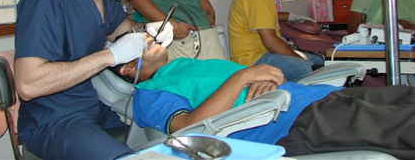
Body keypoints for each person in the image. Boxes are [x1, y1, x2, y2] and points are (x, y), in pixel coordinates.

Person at [14, 0, 174, 160]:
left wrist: (149, 30)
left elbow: (121, 28)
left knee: (163, 135)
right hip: (52, 120)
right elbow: (28, 85)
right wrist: (110, 56)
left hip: (91, 107)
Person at [119, 47, 415, 159]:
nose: (148, 35)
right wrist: (244, 77)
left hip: (317, 96)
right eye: (137, 42)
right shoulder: (149, 92)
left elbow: (257, 80)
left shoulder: (184, 64)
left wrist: (265, 78)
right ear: (127, 69)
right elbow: (187, 130)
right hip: (295, 123)